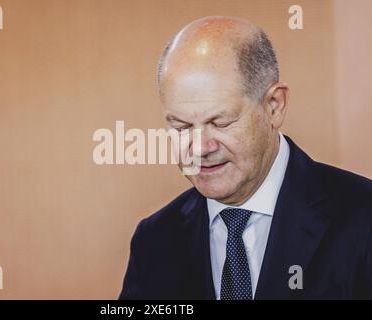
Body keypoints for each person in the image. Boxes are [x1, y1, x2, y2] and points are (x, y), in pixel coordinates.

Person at [119, 16, 372, 300]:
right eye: (181, 127)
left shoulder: (363, 217)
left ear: (274, 106)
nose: (200, 147)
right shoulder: (154, 240)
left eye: (221, 122)